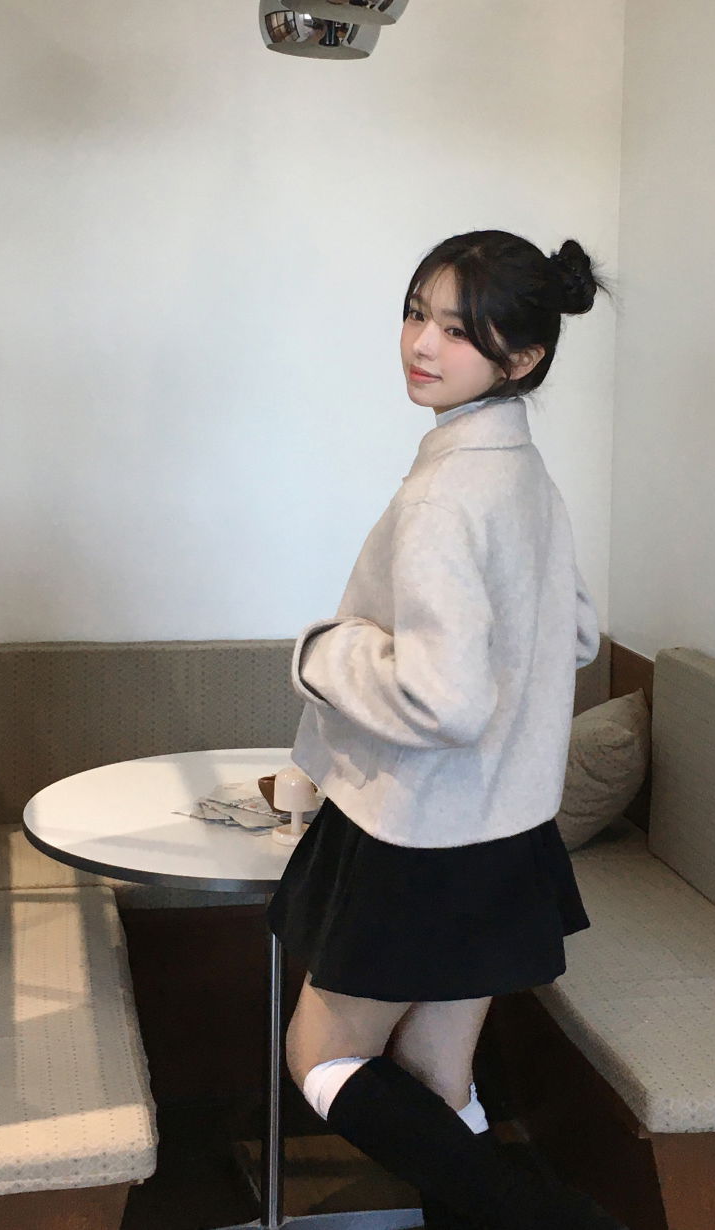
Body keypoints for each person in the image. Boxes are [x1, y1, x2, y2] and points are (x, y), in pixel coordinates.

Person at [266, 230, 625, 1230]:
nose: (423, 343)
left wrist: (325, 652)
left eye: (460, 331)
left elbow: (445, 700)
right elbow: (578, 631)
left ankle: (550, 1220)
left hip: (419, 834)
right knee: (436, 1074)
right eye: (418, 313)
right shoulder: (524, 474)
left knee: (323, 1059)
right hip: (507, 830)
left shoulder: (442, 496)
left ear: (523, 357)